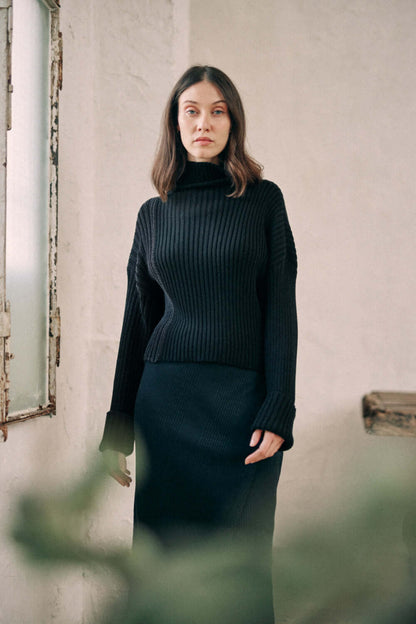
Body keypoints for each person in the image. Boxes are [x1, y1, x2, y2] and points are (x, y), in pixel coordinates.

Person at [99, 65, 297, 615]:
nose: (203, 122)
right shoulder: (153, 214)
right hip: (167, 409)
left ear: (233, 122)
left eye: (217, 110)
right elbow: (137, 320)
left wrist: (279, 407)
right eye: (191, 110)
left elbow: (281, 311)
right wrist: (118, 425)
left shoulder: (264, 202)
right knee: (164, 570)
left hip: (242, 414)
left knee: (240, 568)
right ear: (175, 122)